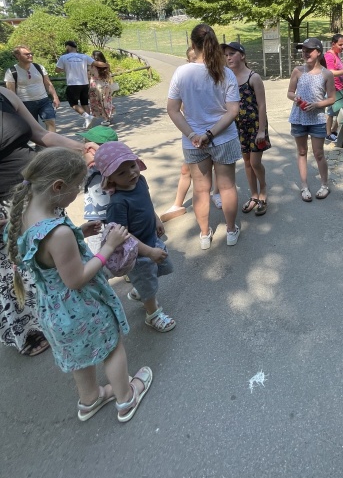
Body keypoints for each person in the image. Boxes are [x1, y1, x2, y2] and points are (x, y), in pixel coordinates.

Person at [5, 147, 152, 423]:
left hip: (54, 312)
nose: (78, 194)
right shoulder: (58, 233)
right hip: (81, 307)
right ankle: (126, 397)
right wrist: (108, 247)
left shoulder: (23, 213)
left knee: (78, 356)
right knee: (112, 347)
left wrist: (79, 233)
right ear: (58, 186)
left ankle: (90, 399)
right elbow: (76, 279)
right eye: (76, 188)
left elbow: (47, 255)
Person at [0, 87, 96, 357]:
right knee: (13, 270)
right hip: (5, 208)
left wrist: (82, 147)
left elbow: (41, 134)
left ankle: (71, 312)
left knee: (57, 259)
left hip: (40, 193)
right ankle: (28, 330)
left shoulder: (4, 94)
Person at [167, 24, 241, 250]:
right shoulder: (225, 72)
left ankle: (204, 234)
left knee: (200, 190)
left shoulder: (181, 72)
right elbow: (233, 111)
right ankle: (230, 231)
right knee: (227, 187)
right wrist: (210, 134)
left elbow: (173, 110)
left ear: (192, 44)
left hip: (193, 142)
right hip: (223, 137)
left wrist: (193, 134)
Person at [93, 141, 176, 332]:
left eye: (132, 166)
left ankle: (140, 289)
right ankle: (153, 314)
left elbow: (147, 202)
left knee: (160, 269)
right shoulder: (117, 203)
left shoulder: (140, 181)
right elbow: (123, 236)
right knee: (147, 281)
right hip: (136, 253)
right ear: (110, 179)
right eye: (122, 173)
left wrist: (156, 219)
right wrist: (149, 252)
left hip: (151, 239)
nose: (131, 173)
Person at [223, 41, 271, 216]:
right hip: (238, 128)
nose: (228, 57)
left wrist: (261, 130)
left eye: (232, 54)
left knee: (255, 162)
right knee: (247, 163)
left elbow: (262, 105)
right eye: (226, 55)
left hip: (256, 127)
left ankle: (263, 191)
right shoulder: (227, 78)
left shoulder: (253, 77)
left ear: (242, 56)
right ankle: (254, 195)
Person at [287, 37, 336, 202]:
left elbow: (332, 99)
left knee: (318, 153)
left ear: (318, 52)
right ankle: (304, 186)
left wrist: (316, 104)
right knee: (302, 152)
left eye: (309, 50)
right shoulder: (297, 71)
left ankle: (324, 185)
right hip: (298, 117)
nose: (305, 53)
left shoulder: (326, 74)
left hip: (318, 119)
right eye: (303, 50)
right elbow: (290, 92)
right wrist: (295, 98)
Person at [80, 125, 119, 252]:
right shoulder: (87, 167)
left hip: (115, 216)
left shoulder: (115, 166)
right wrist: (86, 162)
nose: (85, 150)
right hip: (95, 221)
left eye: (89, 147)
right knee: (95, 252)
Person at [4, 45, 60, 132]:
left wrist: (55, 97)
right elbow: (11, 93)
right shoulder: (11, 71)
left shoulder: (39, 67)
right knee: (33, 128)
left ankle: (52, 141)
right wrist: (15, 107)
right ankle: (39, 141)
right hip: (25, 103)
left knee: (51, 121)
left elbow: (48, 84)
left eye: (31, 53)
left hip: (43, 100)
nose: (30, 55)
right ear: (18, 56)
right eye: (27, 54)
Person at [56, 40, 94, 128]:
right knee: (85, 103)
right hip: (84, 83)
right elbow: (93, 63)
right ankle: (88, 123)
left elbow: (57, 70)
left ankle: (87, 117)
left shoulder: (64, 57)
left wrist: (65, 68)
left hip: (72, 84)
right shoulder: (84, 56)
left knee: (73, 104)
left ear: (68, 46)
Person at [88, 50, 115, 125]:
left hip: (96, 85)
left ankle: (106, 119)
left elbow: (89, 75)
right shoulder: (106, 65)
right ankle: (109, 116)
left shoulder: (92, 65)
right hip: (105, 85)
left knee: (99, 102)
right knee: (106, 101)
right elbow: (108, 75)